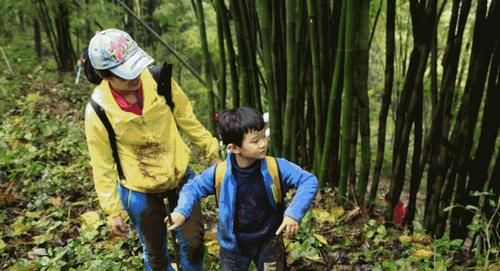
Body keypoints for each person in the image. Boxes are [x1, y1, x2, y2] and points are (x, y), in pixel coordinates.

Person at [83, 28, 219, 271]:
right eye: (125, 74)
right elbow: (101, 163)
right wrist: (112, 211)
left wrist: (210, 146)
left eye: (136, 67)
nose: (134, 76)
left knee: (194, 245)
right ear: (106, 75)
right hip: (139, 191)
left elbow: (187, 118)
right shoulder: (98, 109)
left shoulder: (159, 81)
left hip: (181, 180)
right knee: (155, 255)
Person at [166, 107, 318, 271]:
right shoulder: (220, 173)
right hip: (233, 247)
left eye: (263, 137)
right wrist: (182, 211)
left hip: (269, 242)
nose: (263, 144)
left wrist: (293, 214)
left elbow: (308, 180)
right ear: (233, 148)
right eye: (255, 141)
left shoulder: (276, 167)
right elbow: (192, 188)